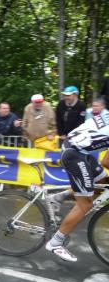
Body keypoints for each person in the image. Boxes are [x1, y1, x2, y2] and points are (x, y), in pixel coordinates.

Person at [45, 109, 109, 262]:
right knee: (85, 204)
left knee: (103, 181)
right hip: (74, 154)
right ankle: (55, 243)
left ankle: (59, 196)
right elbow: (107, 162)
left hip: (79, 151)